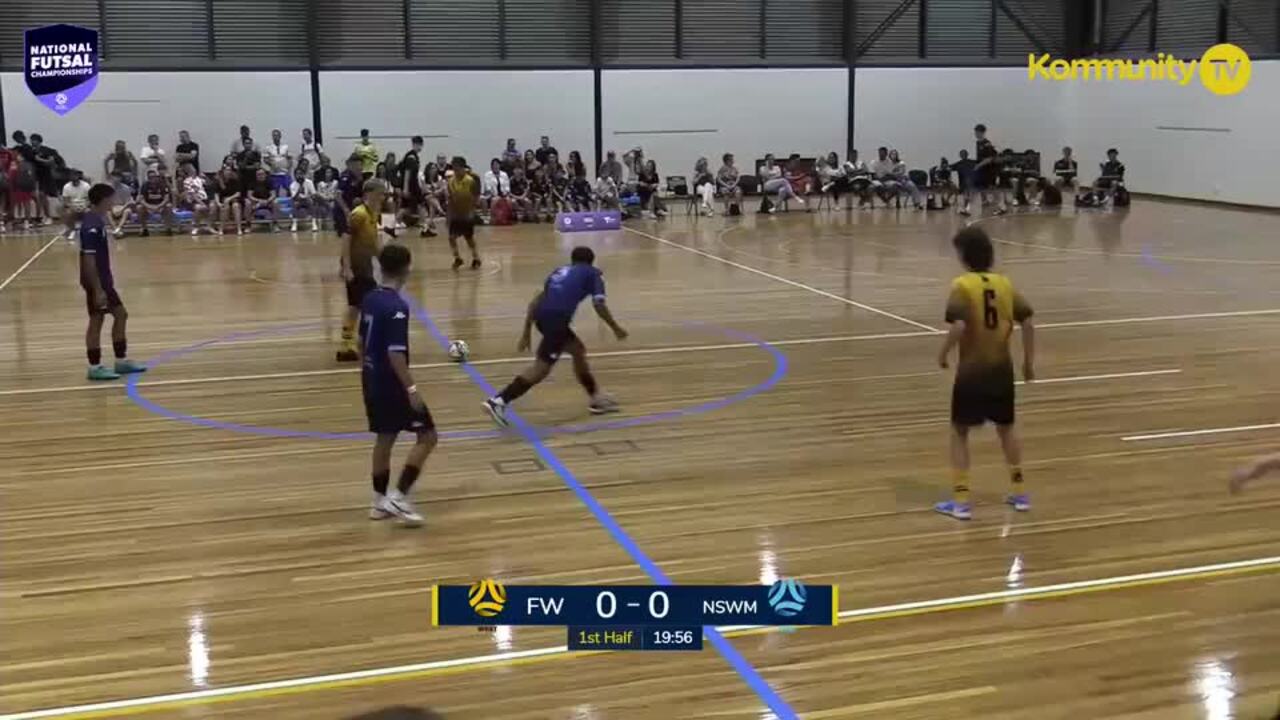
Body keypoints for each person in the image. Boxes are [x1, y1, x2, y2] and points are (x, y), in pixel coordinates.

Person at [935, 227, 1036, 521]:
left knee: (959, 431)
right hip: (1002, 371)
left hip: (971, 373)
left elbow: (959, 326)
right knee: (1006, 429)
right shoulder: (1004, 284)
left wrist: (943, 354)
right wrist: (1028, 363)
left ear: (964, 256)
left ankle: (962, 502)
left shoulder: (962, 285)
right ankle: (1020, 494)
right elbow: (1028, 321)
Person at [484, 246, 628, 425]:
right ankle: (499, 401)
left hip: (542, 317)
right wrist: (616, 328)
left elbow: (535, 301)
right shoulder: (593, 274)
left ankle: (595, 399)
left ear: (573, 260)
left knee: (577, 351)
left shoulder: (559, 272)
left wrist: (526, 332)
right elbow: (599, 305)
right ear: (591, 261)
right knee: (541, 369)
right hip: (557, 320)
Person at [360, 243, 436, 526]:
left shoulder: (371, 298)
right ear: (407, 269)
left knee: (385, 438)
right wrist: (411, 390)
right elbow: (395, 353)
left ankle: (379, 502)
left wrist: (366, 374)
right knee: (428, 436)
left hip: (371, 379)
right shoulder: (397, 307)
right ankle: (399, 496)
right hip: (393, 383)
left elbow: (360, 342)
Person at [79, 183, 147, 381]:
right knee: (98, 319)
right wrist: (98, 288)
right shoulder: (91, 225)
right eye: (112, 198)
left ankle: (121, 360)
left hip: (104, 280)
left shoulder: (97, 220)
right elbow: (88, 260)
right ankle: (95, 366)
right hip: (96, 281)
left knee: (120, 315)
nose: (114, 202)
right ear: (103, 199)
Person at [338, 179, 388, 362]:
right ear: (370, 193)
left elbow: (372, 241)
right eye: (381, 193)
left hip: (367, 267)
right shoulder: (358, 214)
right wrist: (347, 267)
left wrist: (383, 259)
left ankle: (348, 345)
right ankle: (353, 344)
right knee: (360, 305)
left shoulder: (373, 214)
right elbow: (346, 238)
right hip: (357, 267)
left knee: (356, 305)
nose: (383, 197)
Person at [445, 157, 483, 270]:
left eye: (457, 167)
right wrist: (449, 216)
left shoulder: (470, 180)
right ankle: (457, 258)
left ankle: (476, 258)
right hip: (456, 213)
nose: (455, 169)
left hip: (467, 213)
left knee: (469, 238)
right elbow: (451, 199)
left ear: (463, 167)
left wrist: (473, 210)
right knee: (451, 238)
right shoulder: (451, 181)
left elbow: (476, 196)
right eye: (453, 167)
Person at [969, 123, 1008, 216]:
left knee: (993, 189)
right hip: (982, 170)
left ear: (982, 132)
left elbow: (989, 158)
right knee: (982, 188)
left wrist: (978, 166)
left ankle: (1002, 207)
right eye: (975, 132)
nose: (976, 134)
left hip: (990, 170)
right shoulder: (977, 144)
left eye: (978, 132)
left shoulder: (987, 144)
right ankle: (985, 201)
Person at [30, 133, 63, 225]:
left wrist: (39, 160)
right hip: (39, 176)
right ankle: (47, 216)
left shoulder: (47, 150)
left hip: (49, 175)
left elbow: (50, 162)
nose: (32, 142)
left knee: (57, 195)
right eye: (31, 140)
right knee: (41, 195)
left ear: (39, 141)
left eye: (34, 140)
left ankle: (68, 213)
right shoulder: (32, 152)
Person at [333, 154, 364, 242]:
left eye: (360, 166)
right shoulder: (345, 177)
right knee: (346, 236)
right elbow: (338, 195)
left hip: (353, 210)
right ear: (351, 165)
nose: (359, 168)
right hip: (342, 212)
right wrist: (346, 210)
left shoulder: (359, 178)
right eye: (357, 166)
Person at [137, 168, 174, 237]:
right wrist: (149, 207)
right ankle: (144, 229)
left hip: (161, 206)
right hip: (149, 206)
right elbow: (141, 199)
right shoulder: (145, 185)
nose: (153, 179)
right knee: (139, 207)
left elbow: (166, 198)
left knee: (169, 206)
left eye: (154, 177)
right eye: (150, 177)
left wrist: (159, 206)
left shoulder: (162, 184)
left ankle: (168, 229)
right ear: (148, 178)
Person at [178, 163, 212, 236]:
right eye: (191, 169)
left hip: (204, 199)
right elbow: (193, 195)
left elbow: (209, 184)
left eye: (193, 168)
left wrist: (205, 177)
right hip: (193, 201)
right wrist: (202, 204)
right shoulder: (187, 181)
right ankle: (195, 227)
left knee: (212, 206)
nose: (194, 170)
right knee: (199, 207)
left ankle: (209, 226)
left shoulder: (199, 179)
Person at [400, 136, 425, 232]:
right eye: (417, 144)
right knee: (420, 205)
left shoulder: (413, 156)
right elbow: (407, 172)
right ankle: (424, 227)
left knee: (406, 207)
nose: (419, 147)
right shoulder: (411, 157)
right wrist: (406, 188)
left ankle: (391, 227)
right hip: (411, 186)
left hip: (412, 185)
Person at [58, 169, 91, 241]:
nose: (72, 176)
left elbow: (90, 199)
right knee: (64, 210)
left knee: (89, 211)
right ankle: (72, 230)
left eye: (74, 175)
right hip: (72, 206)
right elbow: (66, 200)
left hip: (84, 205)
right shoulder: (66, 186)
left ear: (78, 176)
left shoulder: (86, 185)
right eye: (71, 175)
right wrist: (72, 207)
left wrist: (85, 206)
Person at [214, 165, 244, 235]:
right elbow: (216, 194)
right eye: (226, 170)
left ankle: (239, 229)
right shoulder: (219, 181)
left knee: (236, 206)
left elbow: (238, 193)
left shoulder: (236, 180)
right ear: (223, 171)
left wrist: (229, 198)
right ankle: (221, 228)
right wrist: (218, 203)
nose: (228, 172)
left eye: (230, 170)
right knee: (225, 207)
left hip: (234, 198)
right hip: (223, 200)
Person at [263, 129, 293, 196]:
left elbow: (290, 159)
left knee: (290, 189)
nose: (276, 137)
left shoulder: (286, 146)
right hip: (274, 174)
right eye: (274, 135)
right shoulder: (268, 147)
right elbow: (265, 159)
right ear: (272, 137)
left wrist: (289, 169)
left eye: (277, 135)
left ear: (280, 136)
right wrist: (272, 164)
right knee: (275, 192)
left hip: (285, 173)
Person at [289, 166, 318, 233]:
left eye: (300, 174)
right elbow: (294, 197)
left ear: (303, 174)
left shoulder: (309, 182)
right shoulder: (292, 185)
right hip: (298, 201)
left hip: (307, 199)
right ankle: (294, 223)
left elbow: (314, 194)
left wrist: (310, 197)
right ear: (295, 175)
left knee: (311, 202)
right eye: (297, 174)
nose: (299, 176)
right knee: (294, 203)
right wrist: (299, 191)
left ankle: (314, 223)